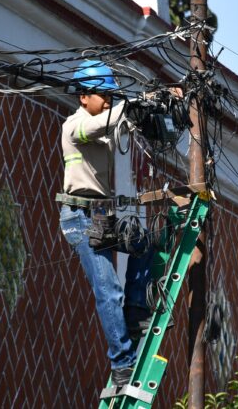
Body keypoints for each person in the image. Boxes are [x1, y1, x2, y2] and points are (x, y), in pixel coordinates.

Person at [56, 60, 153, 387]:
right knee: (108, 291)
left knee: (144, 246)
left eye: (111, 94)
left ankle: (137, 312)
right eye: (103, 94)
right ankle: (122, 364)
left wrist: (159, 102)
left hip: (100, 215)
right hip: (79, 217)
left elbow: (123, 122)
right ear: (84, 97)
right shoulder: (75, 125)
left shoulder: (105, 123)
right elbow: (107, 123)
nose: (108, 99)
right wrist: (133, 103)